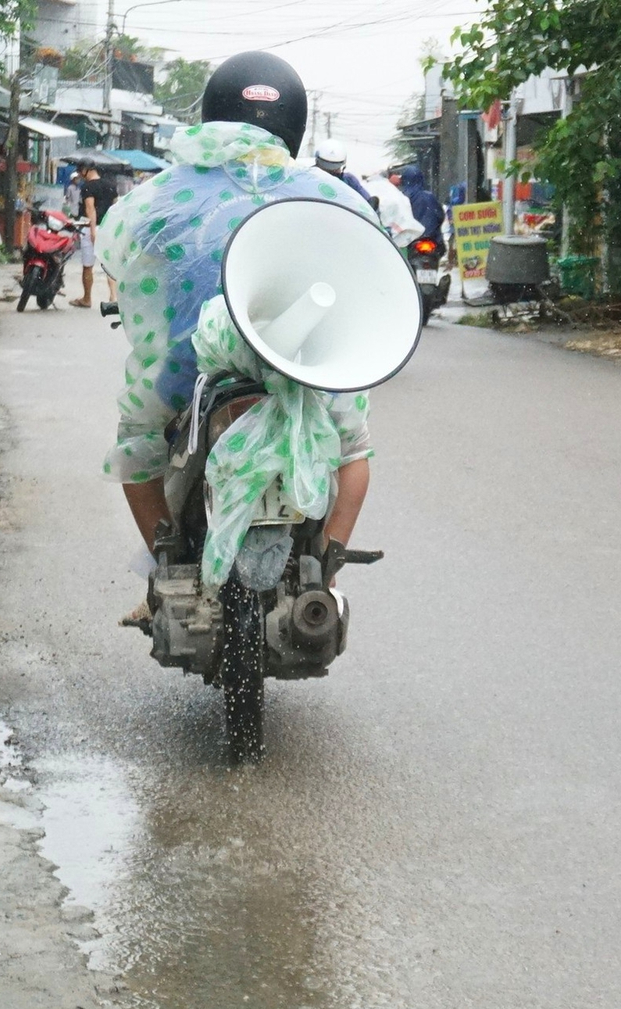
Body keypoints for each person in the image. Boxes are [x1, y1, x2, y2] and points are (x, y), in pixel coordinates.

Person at [96, 51, 379, 599]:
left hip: (187, 376)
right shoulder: (332, 196)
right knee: (353, 449)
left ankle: (164, 574)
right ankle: (327, 571)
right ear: (295, 123)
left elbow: (119, 256)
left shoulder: (162, 194)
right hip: (304, 369)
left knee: (137, 441)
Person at [71, 165, 118, 308]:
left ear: (87, 169)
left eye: (80, 171)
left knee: (88, 266)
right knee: (109, 264)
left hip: (91, 228)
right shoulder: (111, 186)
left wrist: (92, 231)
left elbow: (90, 209)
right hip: (108, 228)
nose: (80, 174)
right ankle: (114, 297)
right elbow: (116, 208)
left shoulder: (88, 187)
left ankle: (87, 299)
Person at [396, 164, 446, 260]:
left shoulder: (401, 198)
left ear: (404, 179)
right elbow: (440, 216)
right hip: (431, 239)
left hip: (410, 240)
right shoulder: (430, 196)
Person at [313, 138, 373, 208]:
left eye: (335, 169)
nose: (330, 174)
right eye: (326, 169)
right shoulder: (307, 178)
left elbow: (367, 203)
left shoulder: (349, 181)